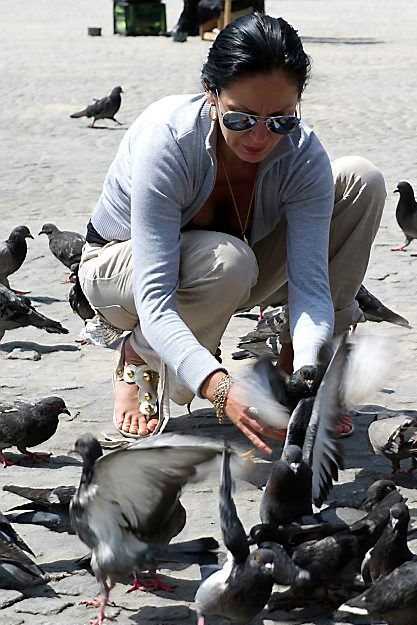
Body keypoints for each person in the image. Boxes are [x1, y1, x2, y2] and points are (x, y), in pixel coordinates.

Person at [78, 13, 385, 452]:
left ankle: (297, 370)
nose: (261, 137)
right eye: (241, 119)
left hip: (237, 264)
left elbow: (311, 287)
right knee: (228, 261)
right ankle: (140, 354)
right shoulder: (167, 140)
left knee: (362, 178)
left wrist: (308, 363)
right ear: (211, 95)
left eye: (281, 120)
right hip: (121, 273)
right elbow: (155, 299)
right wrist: (220, 388)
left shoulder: (302, 154)